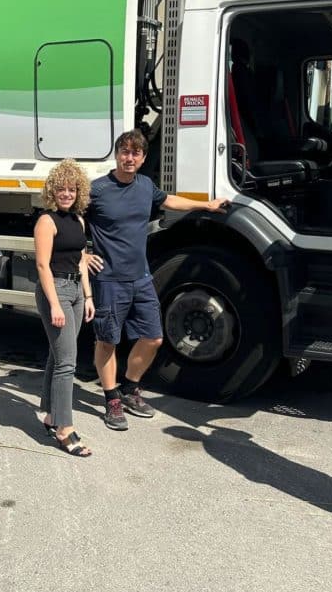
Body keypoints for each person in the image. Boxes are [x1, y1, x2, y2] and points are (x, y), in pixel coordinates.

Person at [87, 129, 230, 430]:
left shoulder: (144, 186)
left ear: (142, 157)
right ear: (116, 154)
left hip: (140, 277)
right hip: (109, 280)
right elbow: (68, 218)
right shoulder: (97, 189)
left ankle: (129, 388)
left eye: (135, 153)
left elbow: (168, 201)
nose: (129, 158)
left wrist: (205, 205)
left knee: (153, 337)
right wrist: (81, 255)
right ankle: (111, 398)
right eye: (124, 152)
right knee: (107, 340)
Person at [34, 159, 95, 457]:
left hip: (75, 291)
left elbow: (81, 260)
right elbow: (43, 266)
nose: (67, 194)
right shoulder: (46, 221)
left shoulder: (79, 221)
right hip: (54, 290)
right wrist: (55, 304)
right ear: (52, 191)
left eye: (72, 189)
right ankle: (64, 429)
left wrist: (89, 296)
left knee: (57, 355)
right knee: (67, 362)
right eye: (62, 189)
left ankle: (49, 414)